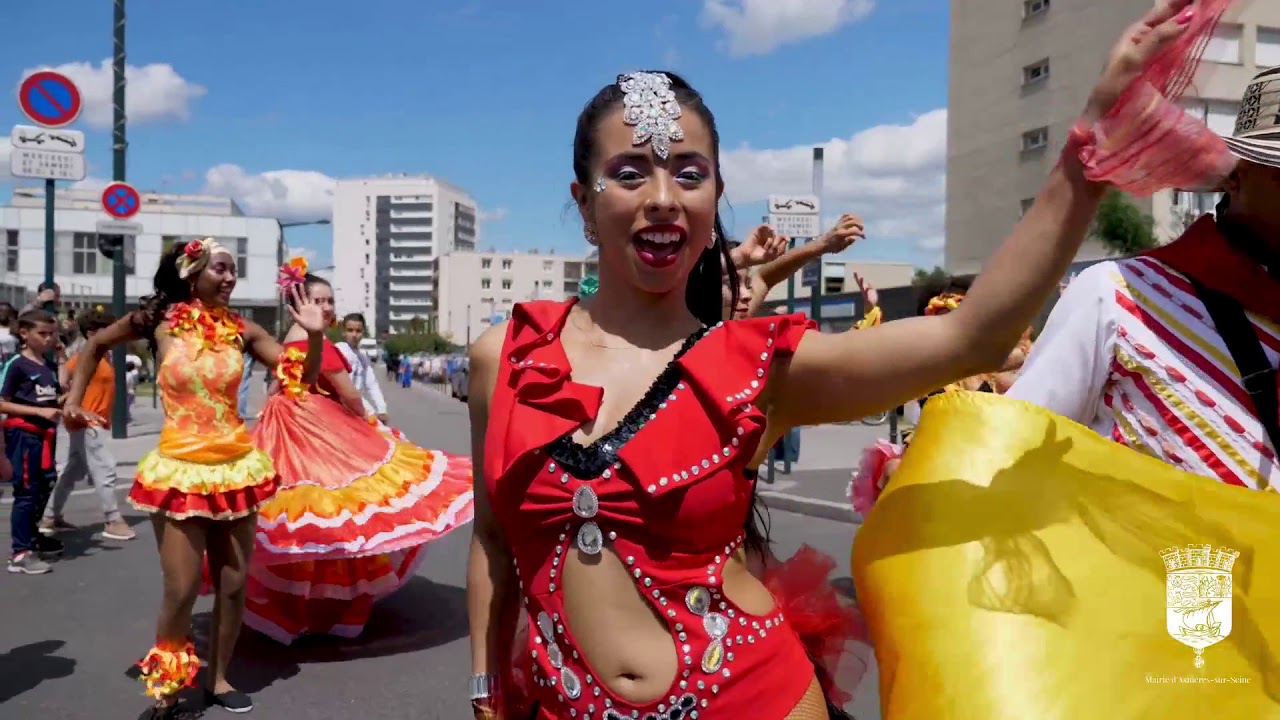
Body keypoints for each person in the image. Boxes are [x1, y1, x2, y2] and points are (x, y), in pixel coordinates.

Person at [465, 43, 1133, 715]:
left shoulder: (759, 368)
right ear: (584, 204)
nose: (663, 199)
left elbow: (971, 338)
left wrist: (1087, 155)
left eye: (690, 175)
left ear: (714, 198)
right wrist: (484, 691)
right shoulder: (507, 359)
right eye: (630, 174)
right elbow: (492, 542)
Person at [63, 238, 328, 719]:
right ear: (192, 271)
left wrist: (313, 337)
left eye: (233, 270)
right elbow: (96, 344)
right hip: (180, 470)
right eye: (221, 269)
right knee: (181, 589)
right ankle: (166, 689)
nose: (230, 278)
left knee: (233, 584)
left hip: (235, 468)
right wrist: (73, 402)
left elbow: (301, 380)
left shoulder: (244, 330)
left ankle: (218, 679)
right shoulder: (158, 321)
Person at [242, 267, 474, 643]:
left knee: (305, 518)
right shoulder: (315, 341)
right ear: (298, 302)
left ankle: (301, 609)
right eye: (318, 300)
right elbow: (347, 391)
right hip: (315, 427)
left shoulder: (290, 337)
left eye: (330, 300)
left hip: (287, 424)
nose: (327, 307)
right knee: (342, 515)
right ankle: (335, 610)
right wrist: (367, 422)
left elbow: (279, 385)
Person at [40, 308, 136, 542]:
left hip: (88, 421)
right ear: (93, 333)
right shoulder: (85, 357)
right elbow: (63, 381)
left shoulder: (103, 356)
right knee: (105, 469)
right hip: (86, 420)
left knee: (73, 471)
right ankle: (113, 520)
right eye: (110, 330)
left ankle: (50, 517)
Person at [2, 310, 63, 575]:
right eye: (43, 333)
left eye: (52, 334)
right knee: (26, 491)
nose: (48, 339)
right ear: (24, 334)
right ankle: (20, 552)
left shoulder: (47, 365)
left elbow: (57, 395)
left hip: (46, 436)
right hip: (24, 435)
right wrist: (39, 412)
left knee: (46, 483)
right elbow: (2, 402)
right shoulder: (17, 364)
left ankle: (31, 534)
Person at [336, 312, 389, 425]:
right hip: (340, 407)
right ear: (343, 332)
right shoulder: (339, 350)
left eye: (358, 331)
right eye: (350, 330)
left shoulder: (363, 358)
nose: (354, 335)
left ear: (363, 333)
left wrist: (381, 409)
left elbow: (372, 384)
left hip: (357, 407)